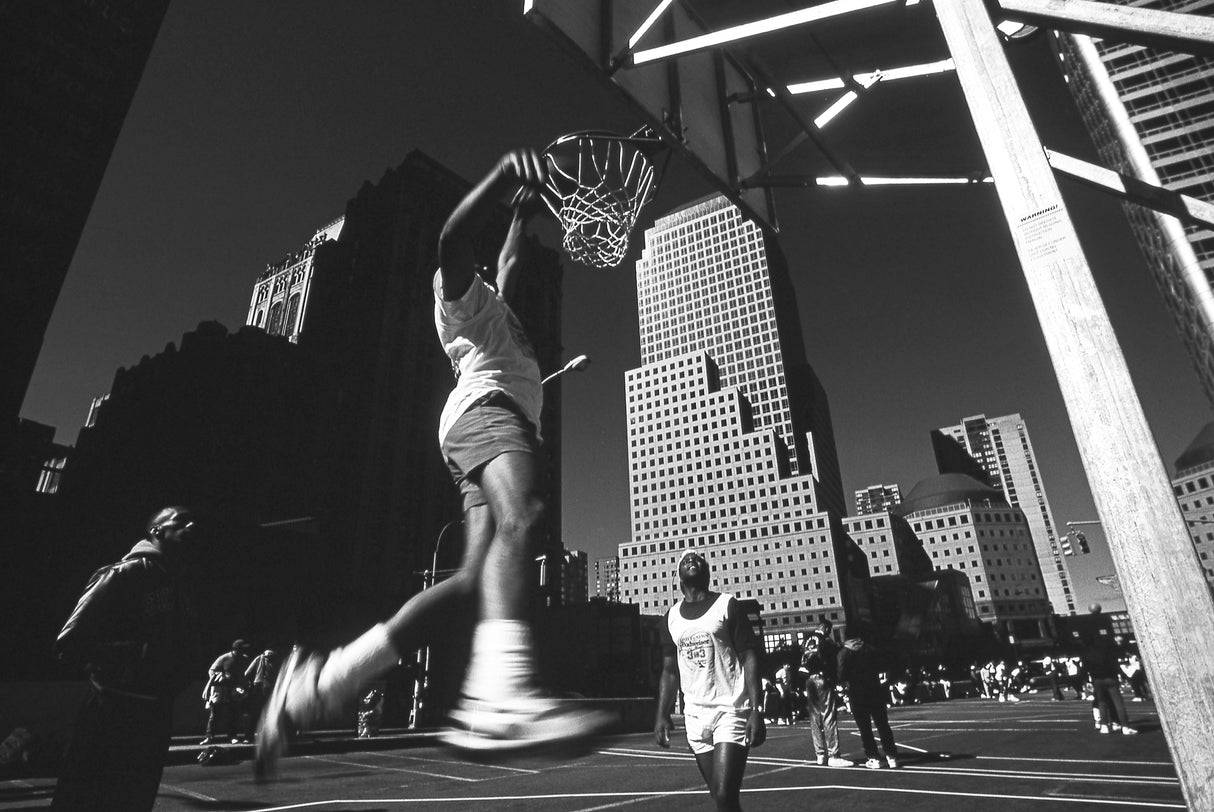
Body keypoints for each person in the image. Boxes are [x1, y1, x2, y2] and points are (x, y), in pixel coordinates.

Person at [255, 148, 607, 775]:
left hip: (495, 420)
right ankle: (501, 696)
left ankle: (321, 684)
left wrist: (522, 220)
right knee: (526, 513)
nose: (488, 271)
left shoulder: (497, 308)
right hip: (485, 411)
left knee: (473, 581)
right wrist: (500, 177)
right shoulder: (460, 304)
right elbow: (452, 237)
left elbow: (509, 262)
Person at [51, 506, 204, 811]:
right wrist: (139, 654)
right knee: (86, 799)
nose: (192, 524)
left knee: (135, 800)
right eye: (181, 521)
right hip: (113, 712)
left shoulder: (179, 587)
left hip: (154, 714)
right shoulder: (122, 574)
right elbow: (69, 642)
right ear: (157, 531)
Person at [655, 551, 765, 812]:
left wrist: (756, 710)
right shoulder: (670, 618)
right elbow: (669, 671)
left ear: (707, 572)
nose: (691, 559)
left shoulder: (727, 605)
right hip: (695, 715)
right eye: (684, 560)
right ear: (679, 579)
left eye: (697, 558)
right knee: (720, 796)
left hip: (730, 709)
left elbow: (749, 657)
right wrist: (662, 714)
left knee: (726, 793)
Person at [837, 627, 899, 770]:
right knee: (883, 725)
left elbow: (840, 674)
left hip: (857, 692)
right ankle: (892, 756)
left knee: (865, 728)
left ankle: (873, 757)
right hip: (875, 689)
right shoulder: (870, 649)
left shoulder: (844, 653)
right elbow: (883, 666)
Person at [801, 620, 852, 767]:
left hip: (809, 679)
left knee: (814, 716)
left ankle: (820, 754)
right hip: (822, 678)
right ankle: (833, 754)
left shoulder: (807, 640)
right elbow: (833, 660)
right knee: (828, 715)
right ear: (826, 628)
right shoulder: (825, 640)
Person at [1080, 631, 1137, 735]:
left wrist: (1087, 680)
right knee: (1118, 702)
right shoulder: (1107, 649)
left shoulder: (1086, 652)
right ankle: (1125, 726)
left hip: (1096, 679)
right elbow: (1114, 664)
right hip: (1110, 678)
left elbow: (1084, 669)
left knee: (1102, 702)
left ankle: (1104, 725)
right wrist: (1122, 676)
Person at [202, 639, 252, 745]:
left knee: (233, 713)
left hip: (234, 689)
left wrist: (243, 685)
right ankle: (209, 736)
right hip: (221, 689)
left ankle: (232, 736)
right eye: (241, 649)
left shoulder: (245, 659)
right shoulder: (225, 658)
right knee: (215, 714)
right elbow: (211, 670)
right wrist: (220, 676)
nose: (243, 652)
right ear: (235, 649)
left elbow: (246, 674)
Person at [243, 649, 277, 739]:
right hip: (262, 687)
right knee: (259, 712)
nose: (268, 659)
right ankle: (252, 735)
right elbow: (247, 673)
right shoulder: (262, 660)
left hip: (261, 686)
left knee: (259, 712)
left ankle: (253, 735)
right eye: (267, 657)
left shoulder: (260, 659)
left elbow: (247, 673)